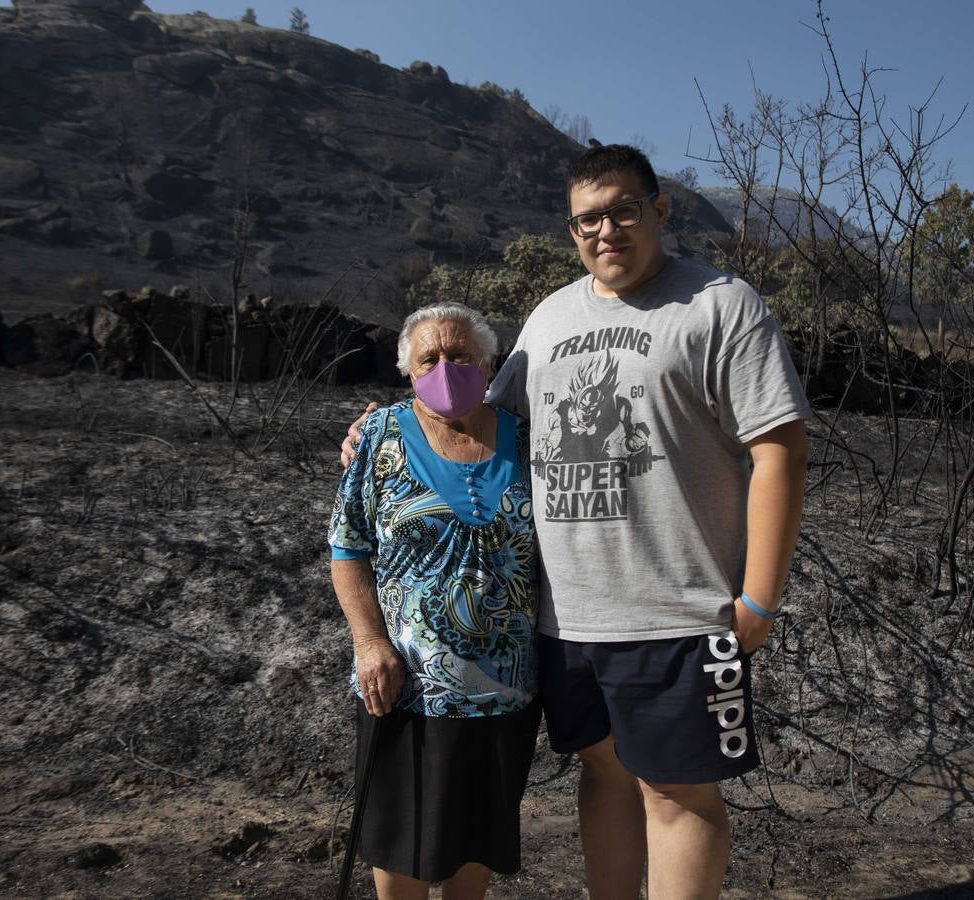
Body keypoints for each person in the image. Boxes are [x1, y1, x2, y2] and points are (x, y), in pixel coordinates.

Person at [344, 144, 810, 899]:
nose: (607, 230)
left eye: (624, 210)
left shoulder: (721, 304)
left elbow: (780, 449)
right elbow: (477, 417)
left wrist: (758, 599)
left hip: (679, 613)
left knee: (677, 794)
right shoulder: (549, 317)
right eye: (588, 219)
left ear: (660, 209)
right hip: (564, 622)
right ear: (571, 230)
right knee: (606, 774)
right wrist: (383, 426)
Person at [328, 301, 540, 900]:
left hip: (508, 692)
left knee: (475, 848)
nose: (447, 368)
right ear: (408, 371)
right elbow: (347, 549)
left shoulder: (525, 438)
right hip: (405, 686)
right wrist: (369, 644)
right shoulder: (379, 435)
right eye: (431, 359)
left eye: (461, 356)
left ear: (488, 363)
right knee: (400, 843)